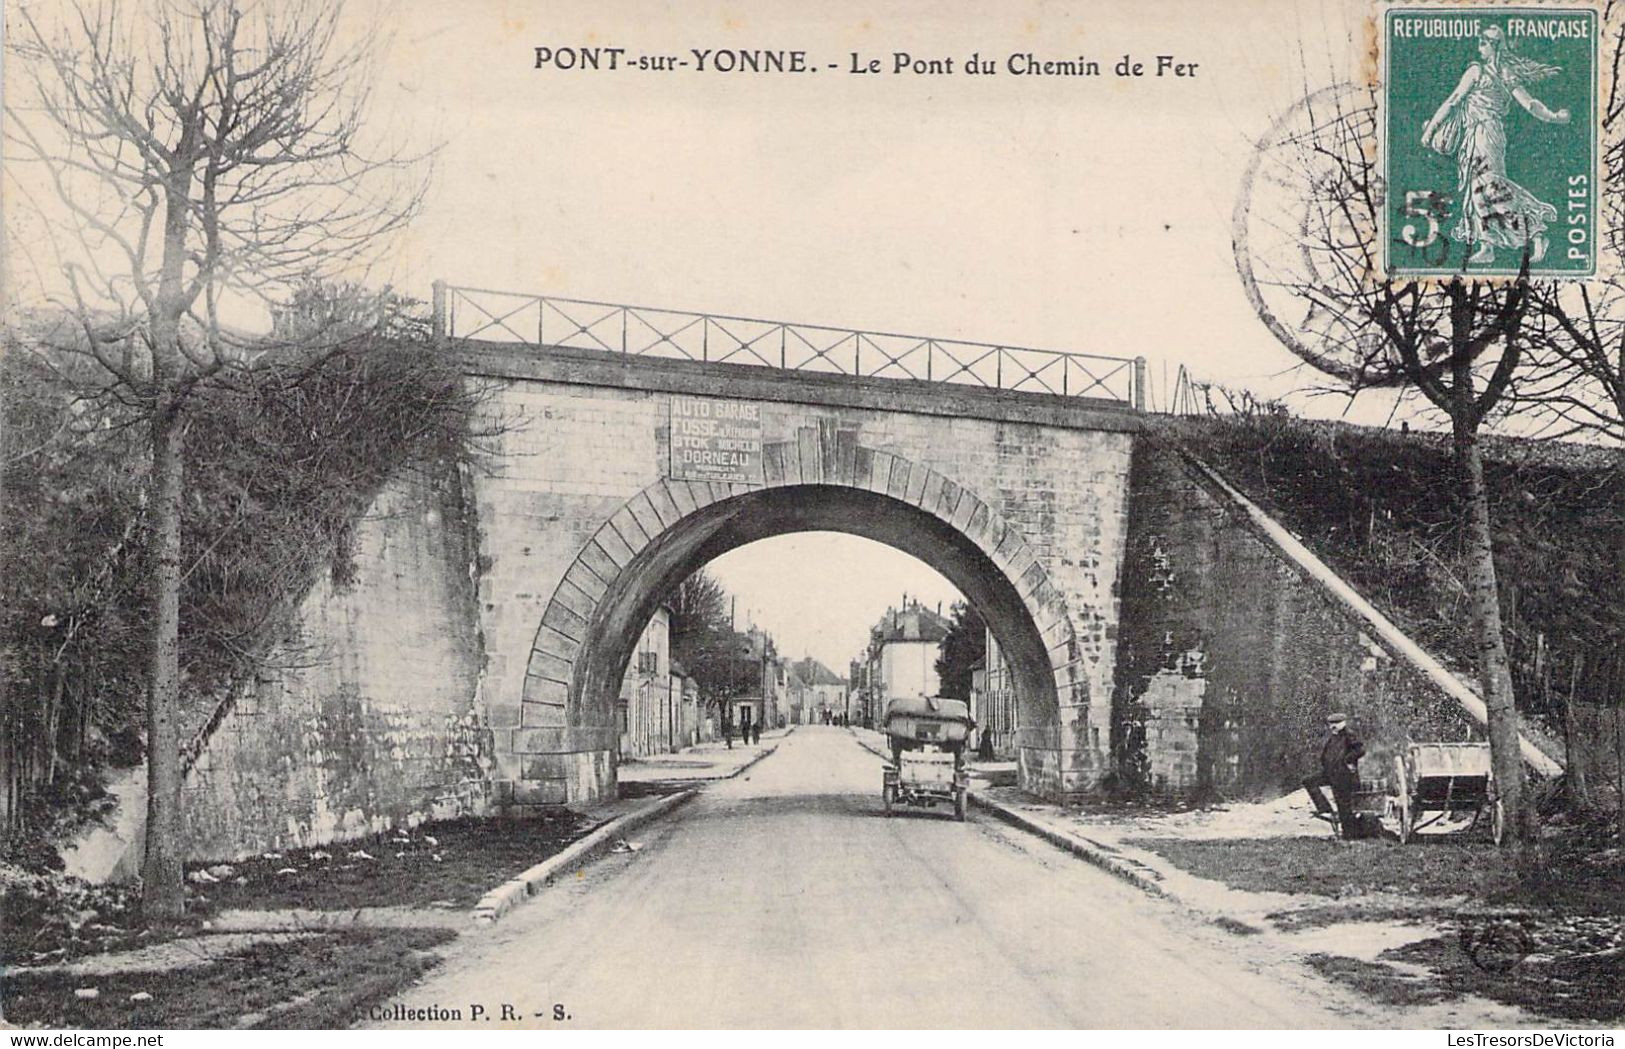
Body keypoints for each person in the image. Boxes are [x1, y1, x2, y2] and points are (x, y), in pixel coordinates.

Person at [1420, 25, 1571, 265]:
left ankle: (1536, 233)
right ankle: (1487, 245)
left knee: (1490, 187)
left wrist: (1430, 130)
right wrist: (1553, 116)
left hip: (1484, 134)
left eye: (1484, 42)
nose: (1480, 46)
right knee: (1477, 188)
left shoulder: (1477, 71)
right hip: (1481, 135)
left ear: (1494, 46)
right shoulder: (1504, 73)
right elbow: (1530, 103)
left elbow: (1453, 101)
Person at [1302, 712, 1365, 839]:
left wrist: (1347, 760)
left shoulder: (1349, 735)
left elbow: (1360, 750)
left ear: (1343, 723)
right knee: (1308, 781)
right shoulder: (1333, 737)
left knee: (1343, 805)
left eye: (1336, 723)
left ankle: (1349, 835)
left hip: (1344, 776)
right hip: (1330, 773)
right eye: (1331, 724)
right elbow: (1326, 755)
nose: (1333, 726)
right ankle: (1325, 808)